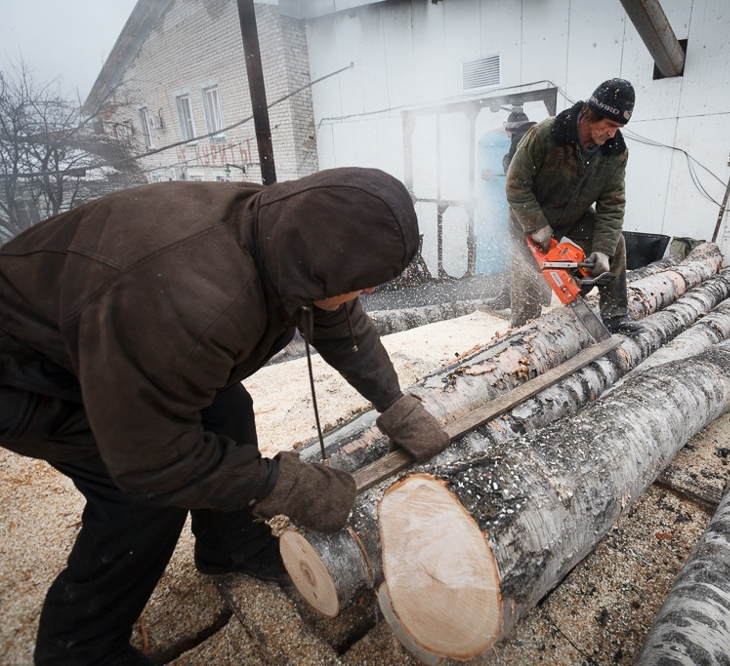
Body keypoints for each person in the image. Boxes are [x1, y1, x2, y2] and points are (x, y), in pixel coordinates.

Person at [0, 167, 450, 666]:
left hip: (117, 335)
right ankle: (80, 650)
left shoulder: (290, 233)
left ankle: (230, 544)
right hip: (25, 370)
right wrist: (284, 485)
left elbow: (335, 314)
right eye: (364, 285)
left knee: (227, 406)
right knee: (138, 500)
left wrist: (394, 401)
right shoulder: (194, 306)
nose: (366, 294)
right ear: (324, 270)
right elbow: (153, 460)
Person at [505, 78, 641, 333]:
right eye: (610, 125)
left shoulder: (615, 152)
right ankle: (523, 330)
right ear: (591, 114)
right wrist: (536, 225)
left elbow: (612, 204)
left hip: (574, 215)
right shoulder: (546, 134)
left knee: (616, 244)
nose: (613, 132)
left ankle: (616, 315)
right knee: (527, 275)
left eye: (619, 127)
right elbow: (516, 184)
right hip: (529, 214)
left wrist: (601, 250)